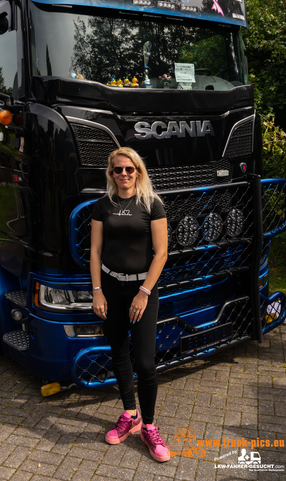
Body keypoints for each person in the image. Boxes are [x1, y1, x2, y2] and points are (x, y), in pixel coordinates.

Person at [90, 147, 170, 463]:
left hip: (142, 291)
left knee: (147, 364)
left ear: (138, 171)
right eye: (117, 170)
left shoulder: (152, 204)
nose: (123, 175)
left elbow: (161, 253)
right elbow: (95, 252)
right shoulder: (102, 205)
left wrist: (144, 292)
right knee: (119, 351)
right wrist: (97, 290)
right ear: (111, 175)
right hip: (110, 287)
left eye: (129, 169)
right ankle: (129, 413)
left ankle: (149, 426)